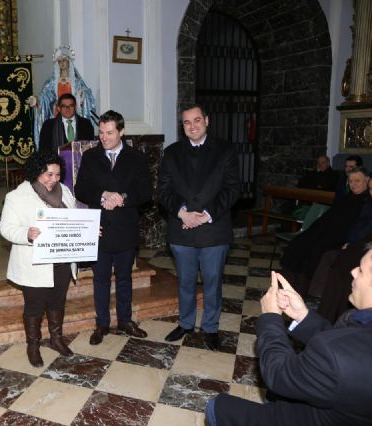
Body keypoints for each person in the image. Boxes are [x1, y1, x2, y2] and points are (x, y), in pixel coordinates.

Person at [206, 258, 372, 426]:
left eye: (362, 271)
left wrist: (271, 318)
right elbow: (346, 346)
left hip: (310, 418)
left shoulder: (336, 355)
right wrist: (303, 316)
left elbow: (278, 375)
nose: (353, 271)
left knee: (217, 407)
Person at [158, 104, 240, 350]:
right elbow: (163, 190)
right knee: (185, 280)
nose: (192, 126)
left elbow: (232, 188)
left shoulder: (226, 150)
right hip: (182, 227)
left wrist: (207, 214)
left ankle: (210, 327)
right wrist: (182, 213)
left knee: (213, 281)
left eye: (197, 120)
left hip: (213, 228)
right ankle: (185, 323)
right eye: (186, 122)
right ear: (182, 127)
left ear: (206, 120)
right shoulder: (171, 152)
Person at [74, 110, 152, 345]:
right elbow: (81, 189)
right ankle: (102, 324)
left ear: (121, 131)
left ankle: (126, 321)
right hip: (99, 229)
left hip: (126, 227)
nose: (104, 138)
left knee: (125, 278)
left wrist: (122, 198)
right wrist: (102, 195)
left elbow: (145, 191)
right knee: (100, 279)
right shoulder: (90, 156)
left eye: (109, 133)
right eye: (101, 133)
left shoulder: (136, 157)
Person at [0, 151, 77, 367]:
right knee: (34, 306)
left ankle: (56, 339)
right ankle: (33, 346)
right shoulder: (17, 197)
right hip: (35, 263)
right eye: (48, 175)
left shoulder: (66, 193)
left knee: (57, 302)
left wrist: (87, 232)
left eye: (57, 175)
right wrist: (26, 234)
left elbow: (74, 219)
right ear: (36, 173)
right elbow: (6, 228)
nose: (53, 180)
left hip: (61, 260)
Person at [282, 167, 371, 296]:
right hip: (327, 231)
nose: (353, 184)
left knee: (316, 249)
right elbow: (331, 216)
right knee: (299, 242)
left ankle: (303, 288)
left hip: (340, 236)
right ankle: (289, 284)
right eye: (350, 181)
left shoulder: (366, 201)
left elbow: (355, 226)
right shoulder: (349, 197)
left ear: (366, 180)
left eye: (357, 181)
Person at [28, 54, 97, 150]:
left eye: (64, 60)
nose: (62, 63)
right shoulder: (52, 82)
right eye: (59, 61)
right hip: (55, 116)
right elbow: (46, 96)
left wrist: (82, 95)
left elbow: (86, 95)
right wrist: (36, 100)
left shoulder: (76, 82)